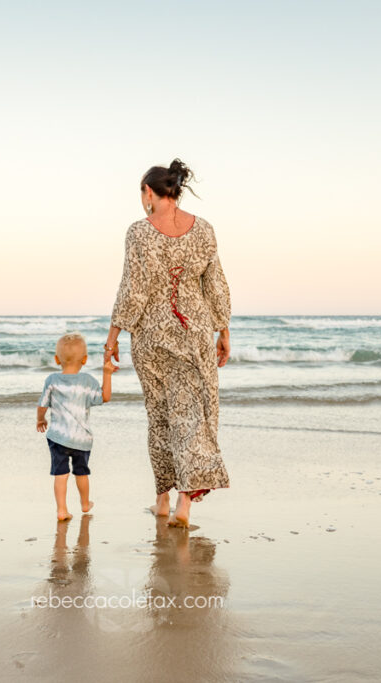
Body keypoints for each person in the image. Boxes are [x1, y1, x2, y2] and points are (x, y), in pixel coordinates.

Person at [104, 158, 231, 528]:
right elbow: (216, 283)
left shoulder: (139, 232)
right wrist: (223, 330)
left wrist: (113, 336)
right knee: (193, 417)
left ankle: (161, 501)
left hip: (151, 337)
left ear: (149, 193)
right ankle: (182, 507)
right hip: (195, 334)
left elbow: (133, 289)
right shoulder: (204, 229)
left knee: (159, 416)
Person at [37, 332, 116, 521]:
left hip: (58, 437)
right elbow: (104, 397)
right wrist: (106, 374)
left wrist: (41, 419)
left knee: (60, 474)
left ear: (56, 359)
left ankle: (62, 510)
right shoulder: (88, 381)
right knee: (82, 473)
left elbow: (42, 404)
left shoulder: (52, 380)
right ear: (85, 360)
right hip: (82, 439)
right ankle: (85, 503)